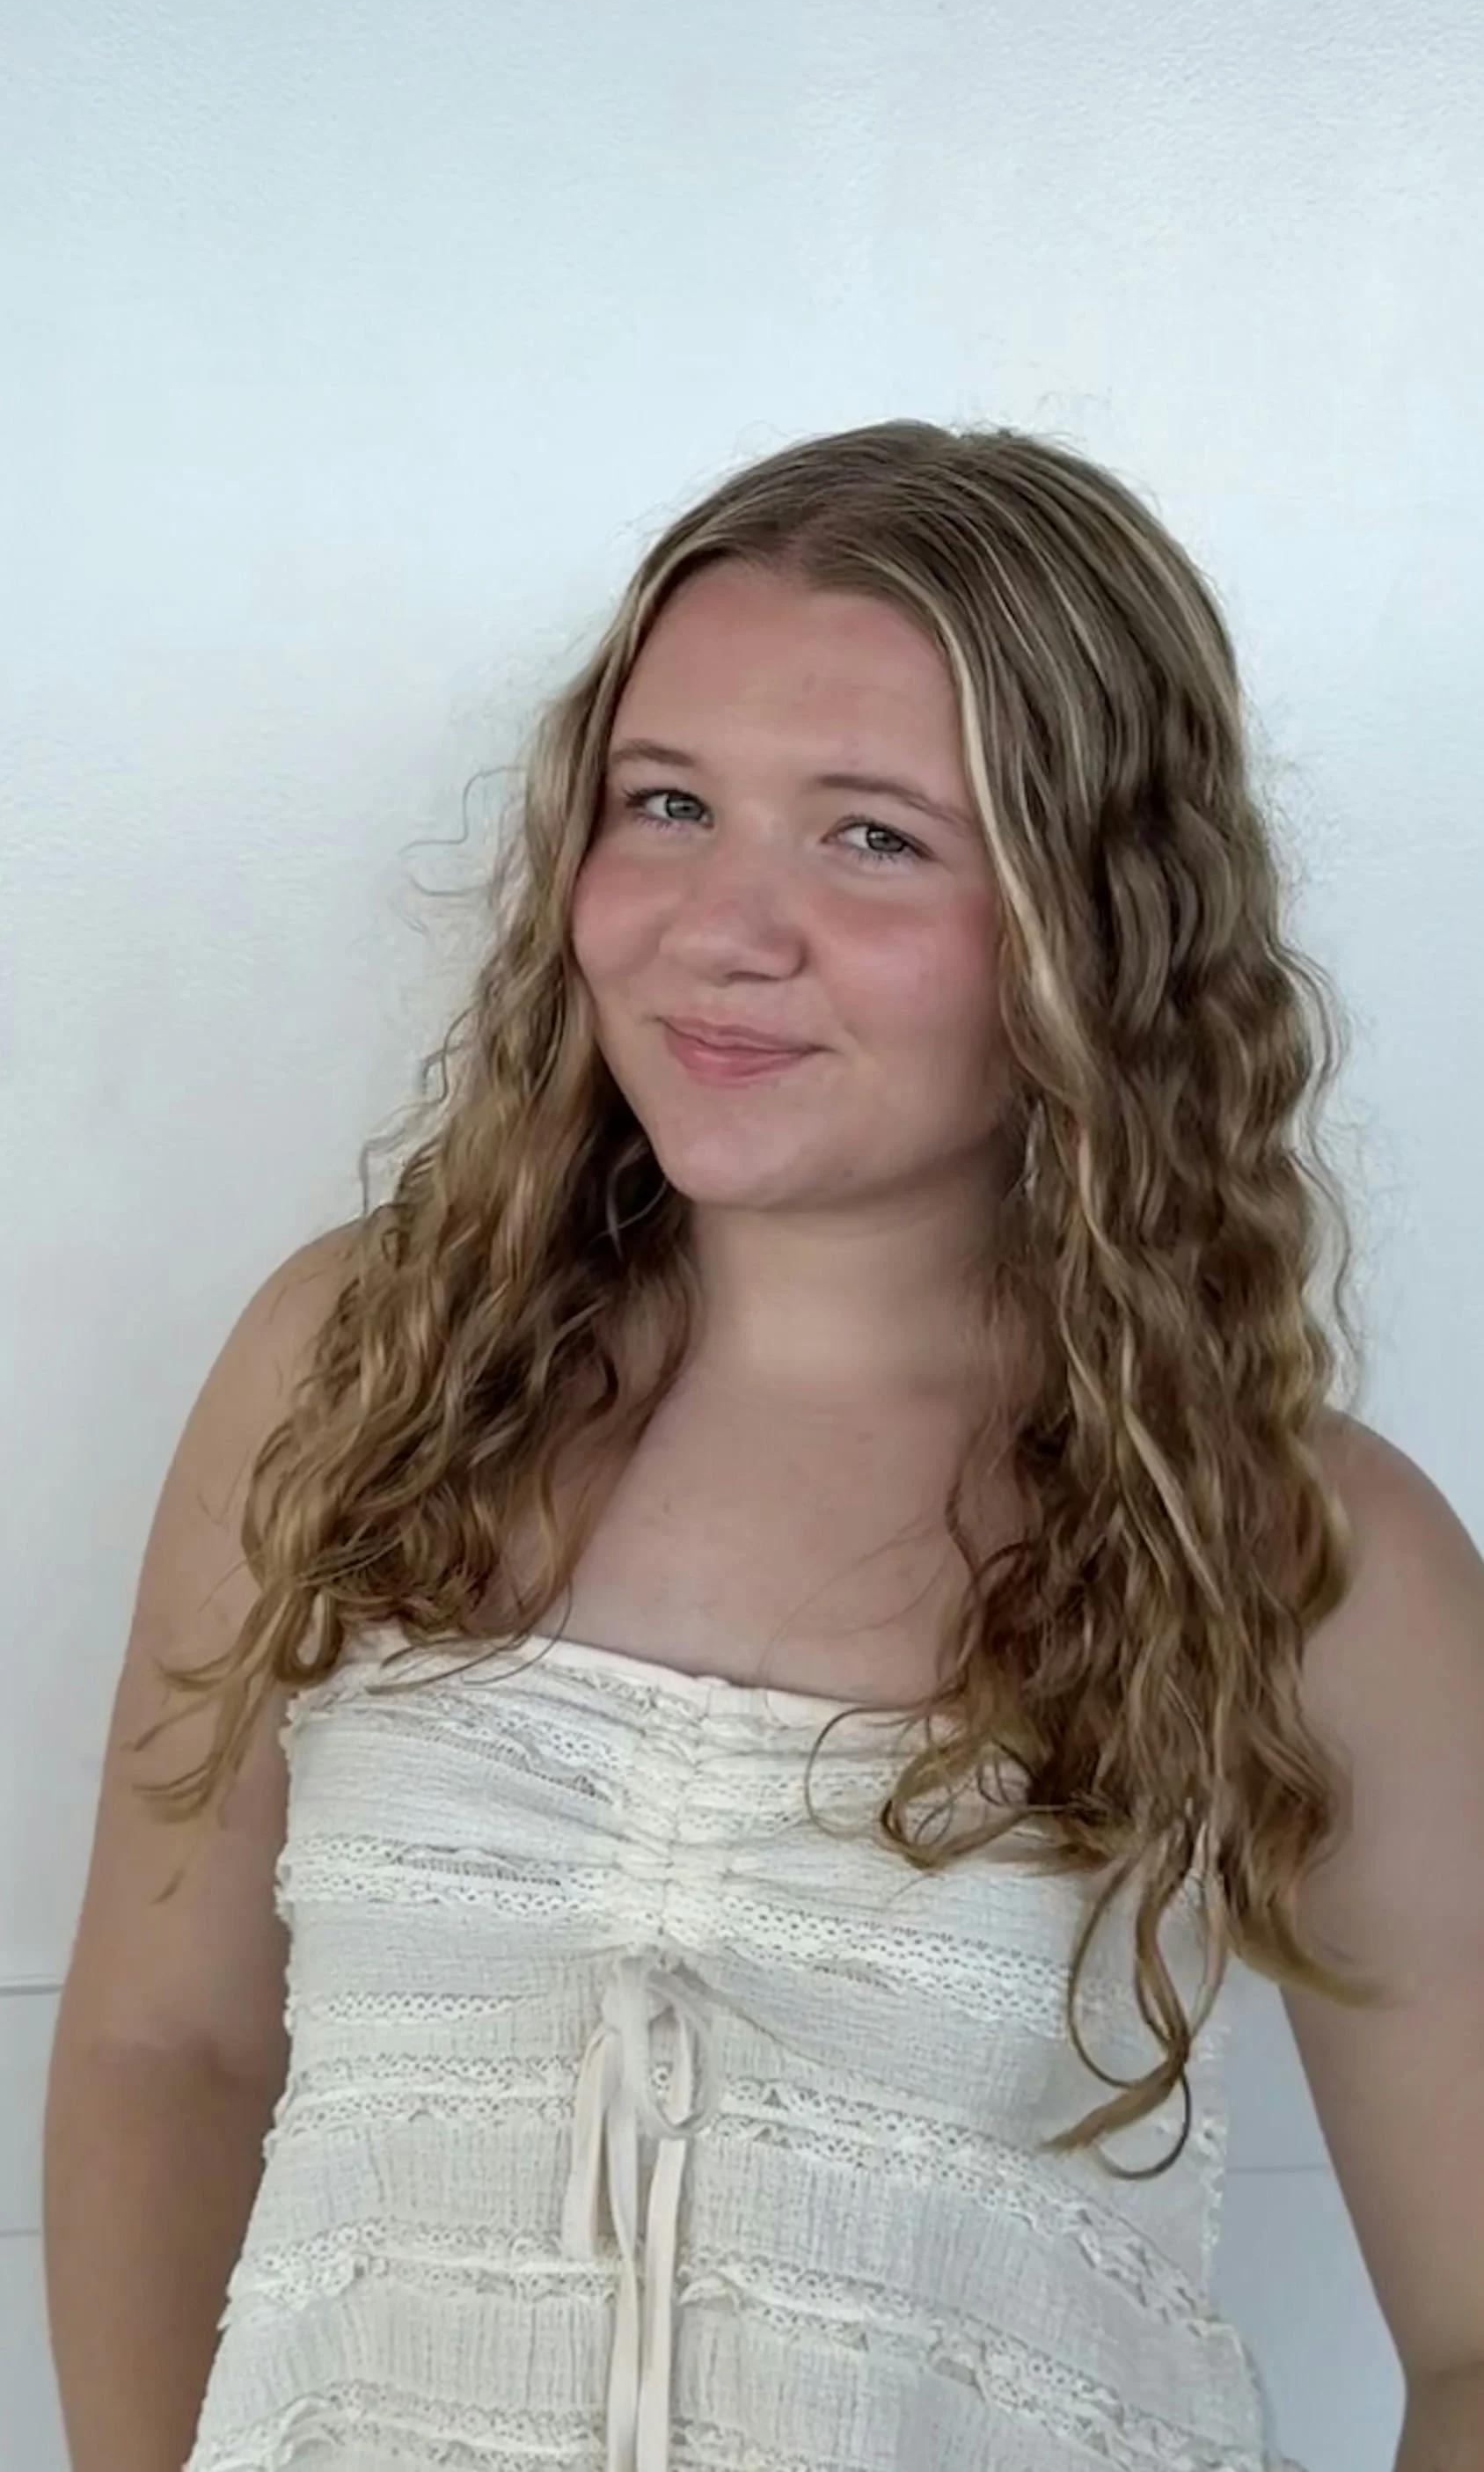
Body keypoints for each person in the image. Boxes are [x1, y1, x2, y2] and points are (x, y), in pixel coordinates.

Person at [43, 421, 1484, 2472]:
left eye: (874, 835)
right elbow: (159, 2048)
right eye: (669, 804)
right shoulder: (355, 1369)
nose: (728, 926)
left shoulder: (1300, 1551)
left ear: (1100, 912)